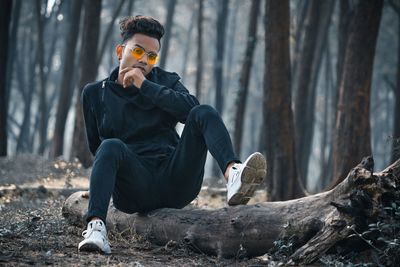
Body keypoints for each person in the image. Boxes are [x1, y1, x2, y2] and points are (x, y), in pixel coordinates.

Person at [78, 15, 266, 254]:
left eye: (151, 56)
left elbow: (192, 112)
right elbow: (98, 147)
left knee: (204, 111)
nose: (144, 60)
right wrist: (101, 185)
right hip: (135, 189)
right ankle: (96, 229)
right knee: (110, 145)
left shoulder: (166, 81)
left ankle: (233, 174)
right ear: (120, 51)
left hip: (176, 180)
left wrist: (144, 85)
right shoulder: (95, 93)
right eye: (137, 51)